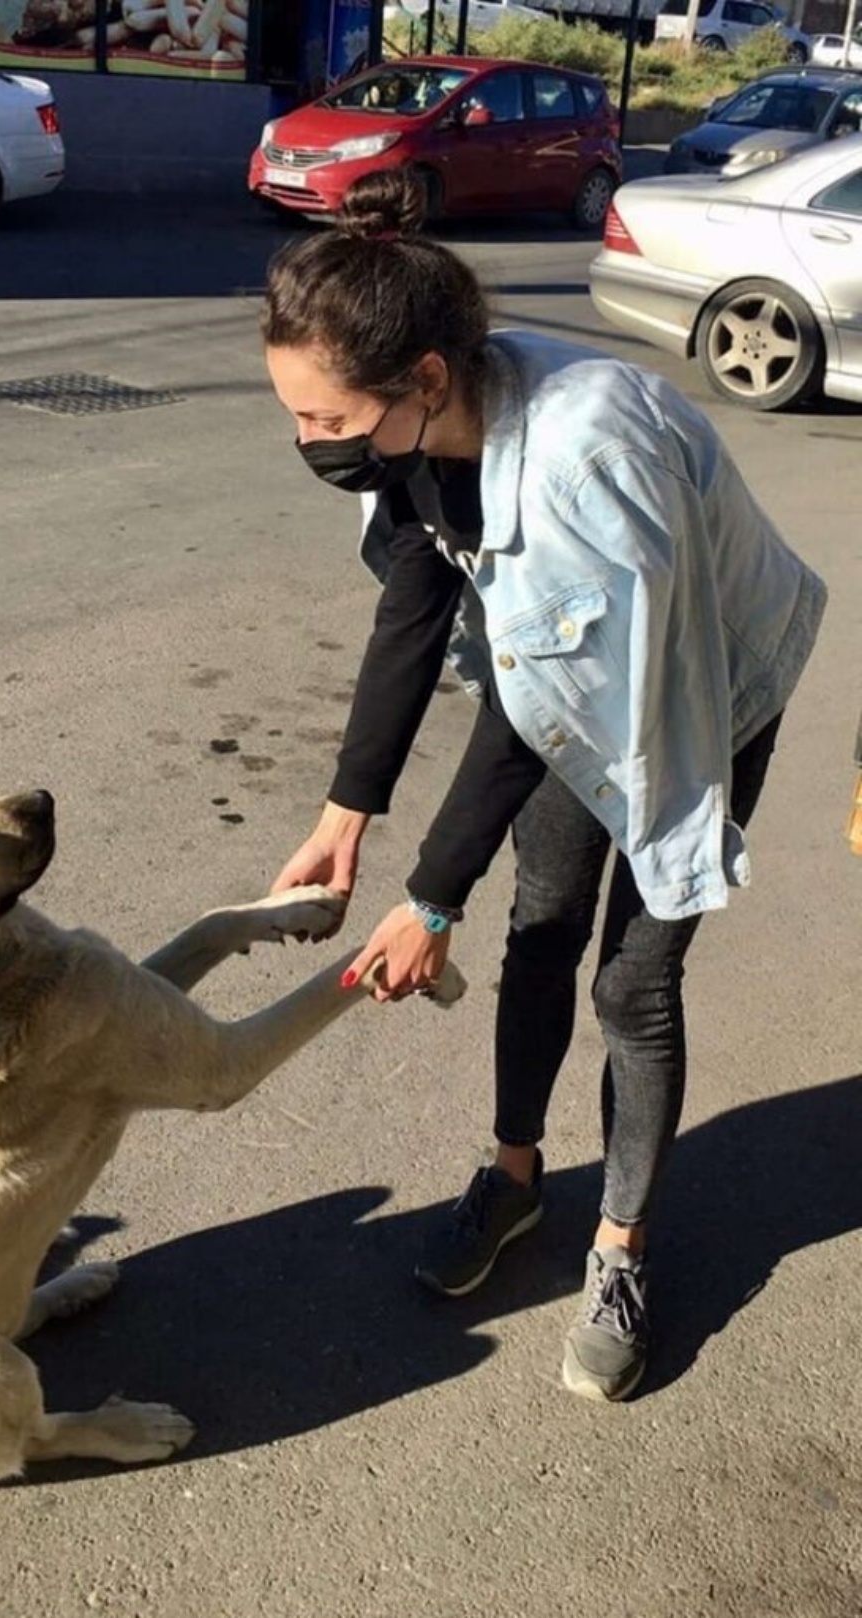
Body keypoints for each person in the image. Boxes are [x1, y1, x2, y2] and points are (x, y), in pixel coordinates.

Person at [262, 168, 827, 1402]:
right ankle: (517, 1179)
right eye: (295, 416)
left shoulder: (586, 466)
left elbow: (537, 715)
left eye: (323, 419)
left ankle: (619, 1246)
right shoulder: (421, 423)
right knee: (545, 923)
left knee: (634, 978)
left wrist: (429, 897)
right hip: (571, 662)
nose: (309, 443)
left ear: (420, 383)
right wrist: (344, 814)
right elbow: (421, 607)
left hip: (706, 681)